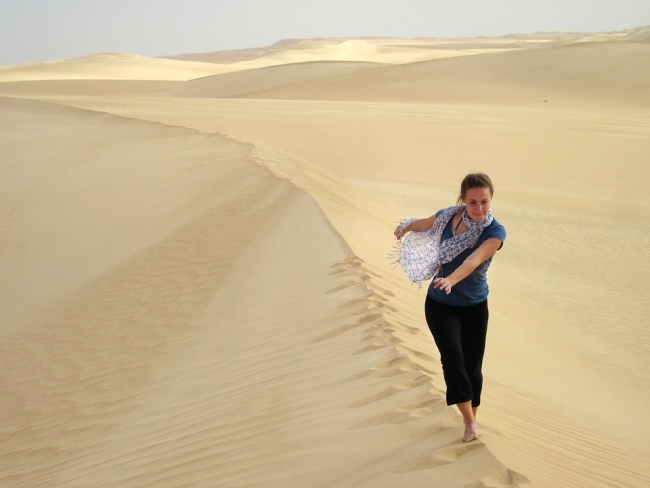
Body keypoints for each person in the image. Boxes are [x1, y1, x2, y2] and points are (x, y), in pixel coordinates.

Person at [393, 173, 506, 442]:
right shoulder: (448, 217)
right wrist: (406, 226)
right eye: (473, 202)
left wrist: (451, 279)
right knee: (452, 360)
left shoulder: (495, 232)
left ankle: (472, 418)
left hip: (475, 306)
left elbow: (475, 260)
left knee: (473, 367)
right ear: (462, 200)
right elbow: (426, 224)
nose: (479, 209)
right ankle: (469, 423)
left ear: (491, 200)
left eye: (484, 202)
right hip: (440, 304)